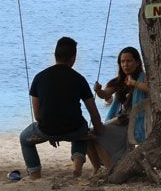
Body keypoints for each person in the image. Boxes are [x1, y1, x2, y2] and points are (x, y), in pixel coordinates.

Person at [19, 37, 104, 179]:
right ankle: (77, 167)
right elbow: (93, 112)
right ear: (73, 57)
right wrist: (99, 130)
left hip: (47, 129)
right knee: (83, 131)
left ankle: (35, 175)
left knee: (24, 139)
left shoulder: (39, 77)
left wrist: (51, 132)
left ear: (55, 55)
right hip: (74, 129)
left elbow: (37, 114)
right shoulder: (79, 79)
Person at [91, 46, 149, 171]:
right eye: (122, 62)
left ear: (137, 62)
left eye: (129, 61)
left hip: (135, 123)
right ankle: (104, 168)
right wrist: (98, 90)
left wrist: (135, 83)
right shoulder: (119, 81)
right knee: (91, 134)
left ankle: (110, 168)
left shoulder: (143, 78)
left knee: (95, 134)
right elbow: (105, 94)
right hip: (120, 121)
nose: (125, 64)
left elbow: (152, 90)